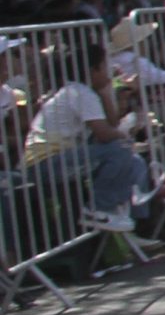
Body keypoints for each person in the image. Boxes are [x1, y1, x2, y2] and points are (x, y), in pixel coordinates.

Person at [33, 41, 148, 236]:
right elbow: (105, 134)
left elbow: (111, 123)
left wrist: (104, 94)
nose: (110, 70)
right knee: (120, 149)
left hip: (65, 157)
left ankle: (137, 229)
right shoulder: (79, 92)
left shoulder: (87, 93)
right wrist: (126, 138)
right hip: (44, 162)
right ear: (94, 70)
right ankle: (99, 208)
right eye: (105, 66)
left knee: (134, 161)